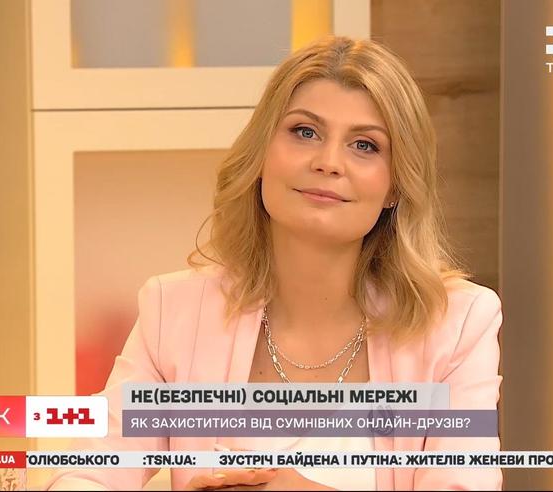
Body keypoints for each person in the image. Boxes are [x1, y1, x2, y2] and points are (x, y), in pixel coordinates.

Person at [44, 35, 503, 491]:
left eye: (365, 145)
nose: (328, 162)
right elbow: (85, 470)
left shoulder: (458, 323)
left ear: (396, 186)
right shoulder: (173, 310)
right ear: (262, 154)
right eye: (305, 132)